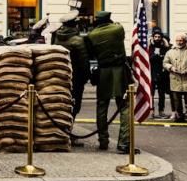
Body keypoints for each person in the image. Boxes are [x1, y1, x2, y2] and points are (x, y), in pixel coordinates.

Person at [85, 11, 132, 154]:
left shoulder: (91, 35)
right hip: (119, 71)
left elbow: (91, 53)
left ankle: (103, 141)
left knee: (101, 106)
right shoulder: (117, 28)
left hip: (103, 72)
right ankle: (124, 143)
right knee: (125, 107)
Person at [53, 9, 90, 147]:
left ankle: (60, 132)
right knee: (75, 106)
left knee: (60, 104)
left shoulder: (57, 37)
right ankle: (68, 133)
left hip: (60, 76)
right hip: (76, 78)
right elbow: (84, 62)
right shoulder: (78, 40)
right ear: (75, 25)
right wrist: (86, 77)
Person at [163, 33, 187, 123]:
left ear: (185, 41)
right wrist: (171, 67)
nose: (179, 42)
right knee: (177, 100)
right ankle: (179, 117)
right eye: (177, 40)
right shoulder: (170, 52)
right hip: (175, 79)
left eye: (181, 40)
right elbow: (165, 63)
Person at [148, 27, 171, 118]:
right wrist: (155, 55)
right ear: (153, 37)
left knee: (162, 94)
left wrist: (166, 45)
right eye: (155, 36)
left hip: (162, 73)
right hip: (152, 72)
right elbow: (148, 58)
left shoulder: (164, 47)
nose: (157, 38)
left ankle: (161, 111)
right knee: (151, 94)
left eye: (159, 36)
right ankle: (151, 111)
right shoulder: (150, 47)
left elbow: (168, 57)